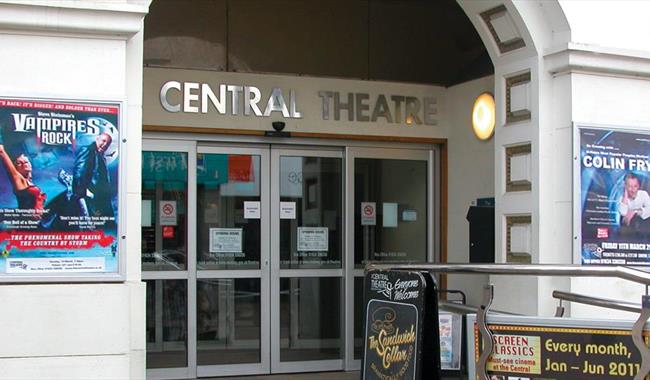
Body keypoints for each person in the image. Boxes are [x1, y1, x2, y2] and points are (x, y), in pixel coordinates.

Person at [72, 132, 114, 218]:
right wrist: (82, 193)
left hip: (98, 198)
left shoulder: (100, 155)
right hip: (91, 198)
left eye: (108, 143)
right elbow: (79, 172)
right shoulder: (88, 150)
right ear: (97, 139)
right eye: (103, 141)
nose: (105, 145)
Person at [0, 144, 46, 217]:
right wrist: (2, 151)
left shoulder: (29, 182)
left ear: (30, 164)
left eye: (26, 162)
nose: (24, 163)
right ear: (16, 169)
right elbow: (2, 153)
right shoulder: (19, 181)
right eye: (19, 163)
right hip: (27, 222)